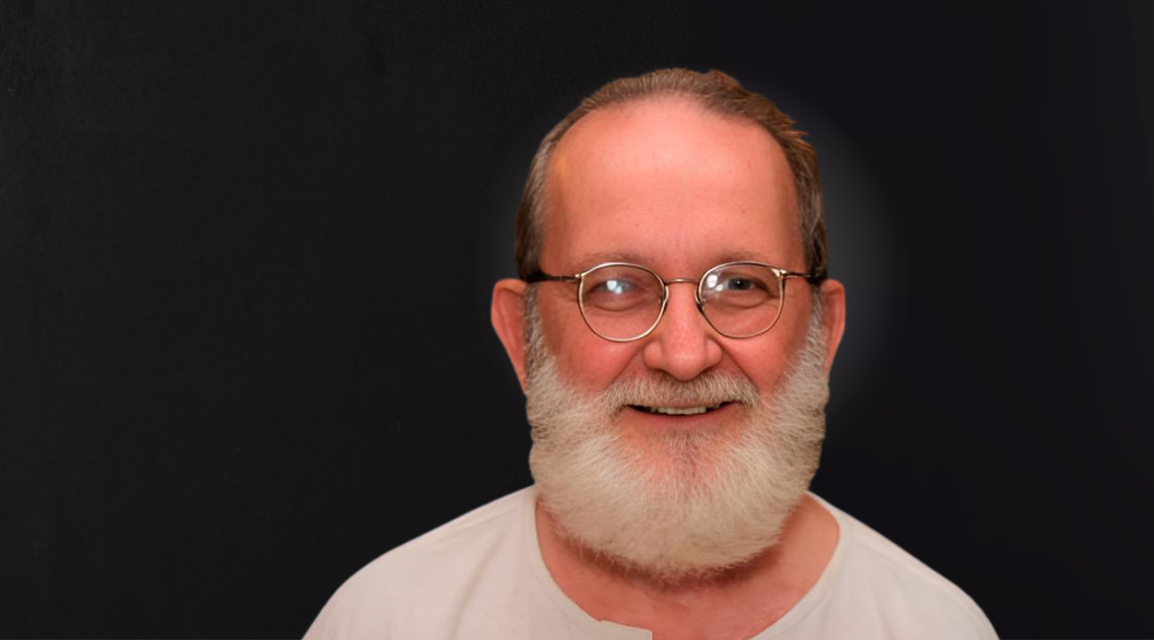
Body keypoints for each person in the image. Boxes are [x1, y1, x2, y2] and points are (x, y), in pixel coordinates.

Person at [305, 68, 996, 640]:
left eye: (741, 285)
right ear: (522, 336)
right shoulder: (384, 622)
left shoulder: (934, 629)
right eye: (614, 287)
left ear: (824, 331)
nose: (684, 355)